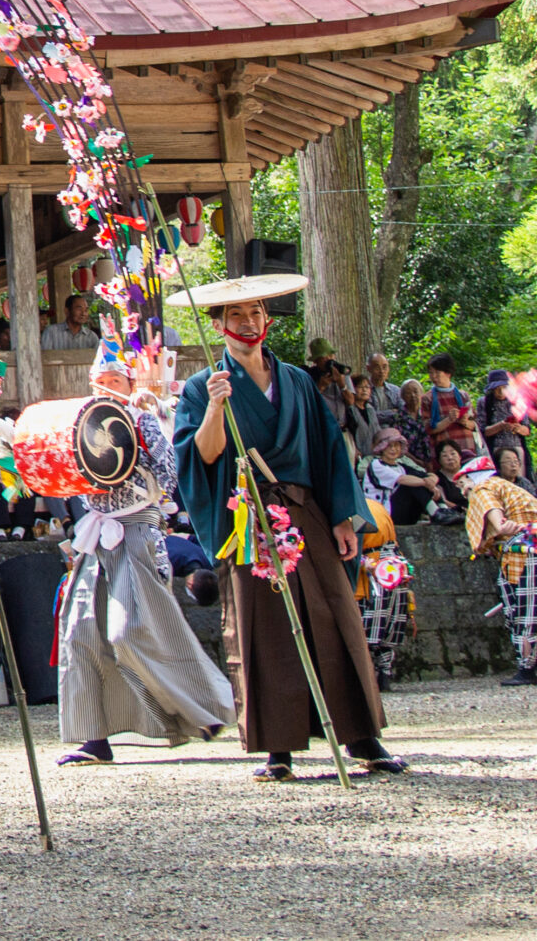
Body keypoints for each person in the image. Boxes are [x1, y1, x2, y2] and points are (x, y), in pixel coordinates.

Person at [173, 272, 402, 782]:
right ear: (219, 325)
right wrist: (214, 405)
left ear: (268, 321)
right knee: (267, 627)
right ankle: (279, 746)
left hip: (305, 510)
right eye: (235, 314)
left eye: (255, 313)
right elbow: (201, 456)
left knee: (336, 614)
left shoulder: (297, 380)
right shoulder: (201, 386)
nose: (247, 321)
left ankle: (363, 734)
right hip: (247, 515)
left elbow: (328, 450)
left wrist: (344, 516)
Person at [57, 345, 233, 767]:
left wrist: (140, 428)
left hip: (137, 532)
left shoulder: (143, 420)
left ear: (130, 384)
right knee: (79, 632)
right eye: (102, 381)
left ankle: (203, 709)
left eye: (116, 381)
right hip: (96, 537)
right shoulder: (77, 426)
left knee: (129, 630)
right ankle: (92, 736)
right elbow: (56, 468)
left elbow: (170, 475)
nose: (108, 387)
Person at [454, 452, 537, 684]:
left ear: (472, 477)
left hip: (524, 547)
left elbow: (493, 514)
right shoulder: (510, 487)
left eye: (463, 483)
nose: (463, 491)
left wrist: (502, 526)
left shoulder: (483, 488)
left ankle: (526, 668)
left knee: (524, 610)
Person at [356, 503, 415, 692]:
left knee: (366, 630)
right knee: (387, 632)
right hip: (393, 568)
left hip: (372, 573)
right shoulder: (378, 507)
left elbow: (354, 546)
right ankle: (385, 673)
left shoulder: (357, 511)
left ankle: (369, 676)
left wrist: (365, 563)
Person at [421, 356, 478, 459]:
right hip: (445, 454)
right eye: (431, 373)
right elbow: (428, 429)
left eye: (437, 373)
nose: (433, 377)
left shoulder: (463, 396)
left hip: (467, 448)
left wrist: (465, 422)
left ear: (448, 373)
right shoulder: (427, 399)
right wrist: (449, 420)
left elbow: (475, 424)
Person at [479, 370, 532, 472]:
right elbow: (483, 431)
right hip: (495, 448)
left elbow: (527, 430)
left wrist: (518, 428)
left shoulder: (518, 401)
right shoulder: (484, 402)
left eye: (503, 388)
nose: (500, 392)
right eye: (497, 389)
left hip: (516, 447)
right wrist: (501, 426)